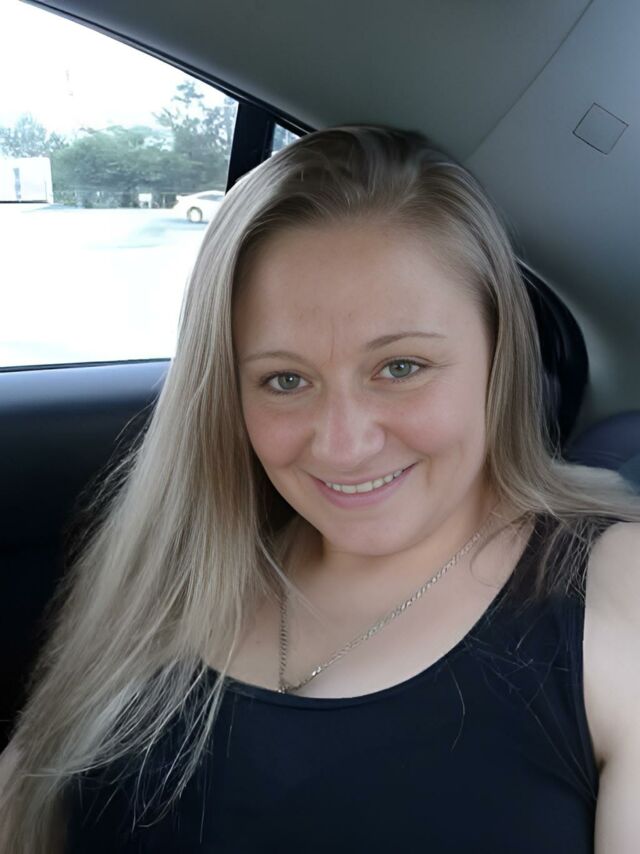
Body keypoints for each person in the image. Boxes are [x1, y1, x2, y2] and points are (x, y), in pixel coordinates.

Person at [1, 125, 639, 853]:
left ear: (500, 354)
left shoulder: (615, 589)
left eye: (400, 367)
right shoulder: (173, 571)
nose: (342, 444)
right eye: (285, 380)